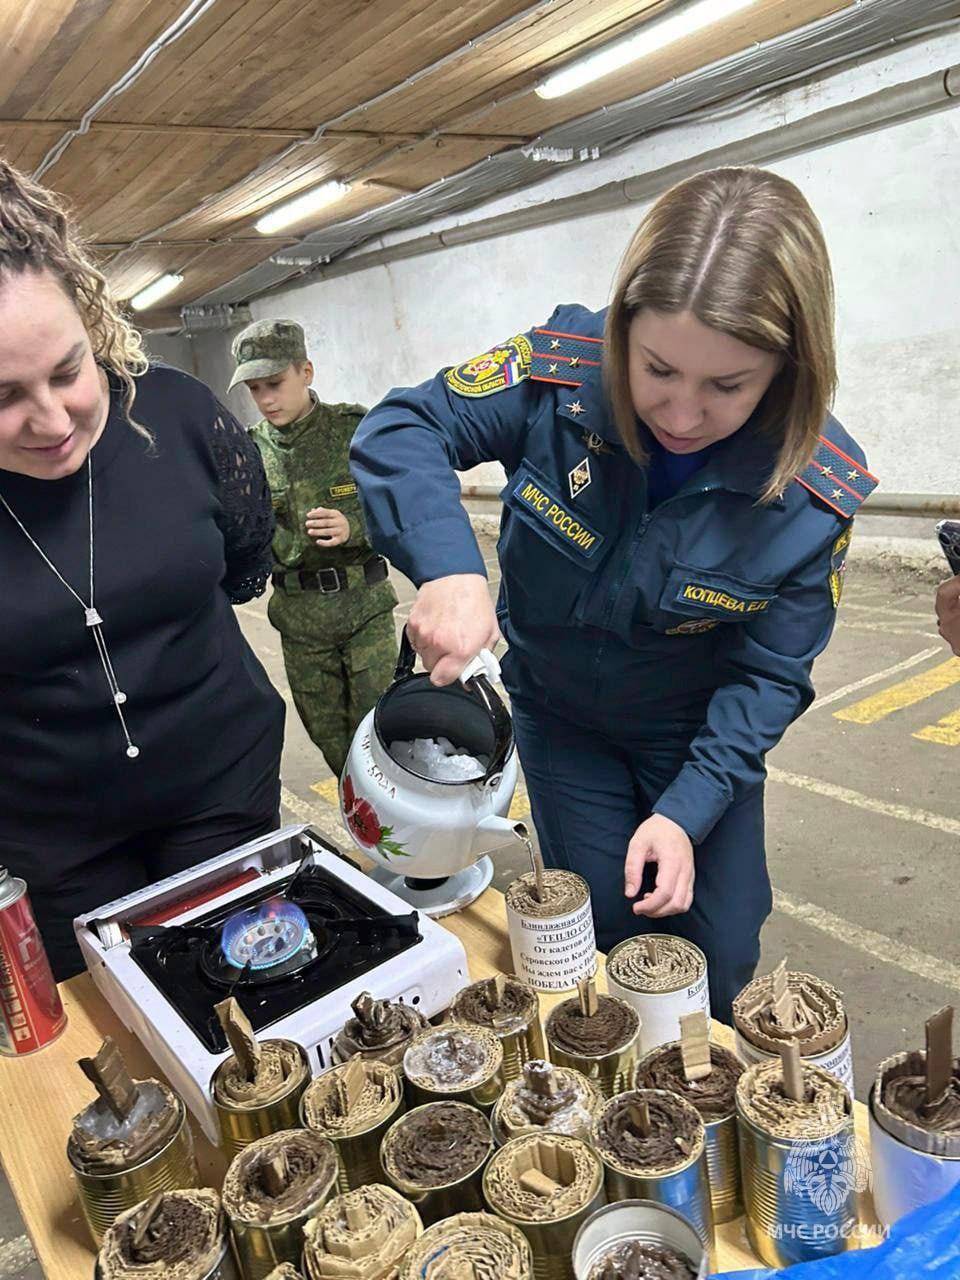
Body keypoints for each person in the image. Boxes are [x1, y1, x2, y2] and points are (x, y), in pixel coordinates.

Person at [351, 166, 878, 1022]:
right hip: (561, 721)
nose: (680, 412)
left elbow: (771, 676)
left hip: (693, 735)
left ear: (790, 368)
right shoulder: (560, 373)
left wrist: (687, 809)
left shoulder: (812, 494)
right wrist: (448, 567)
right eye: (659, 368)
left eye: (727, 386)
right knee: (595, 926)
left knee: (721, 942)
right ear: (625, 326)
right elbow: (403, 427)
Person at [0, 161, 285, 981]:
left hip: (220, 785)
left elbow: (243, 566)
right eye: (3, 396)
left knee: (245, 989)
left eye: (67, 371)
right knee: (115, 1023)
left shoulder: (180, 415)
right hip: (48, 840)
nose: (52, 421)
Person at [230, 319, 398, 778]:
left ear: (306, 371)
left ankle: (406, 837)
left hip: (364, 609)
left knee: (384, 730)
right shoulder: (246, 452)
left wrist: (356, 525)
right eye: (254, 388)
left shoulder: (355, 430)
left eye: (275, 384)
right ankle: (374, 832)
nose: (266, 399)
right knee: (333, 743)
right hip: (300, 620)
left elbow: (401, 504)